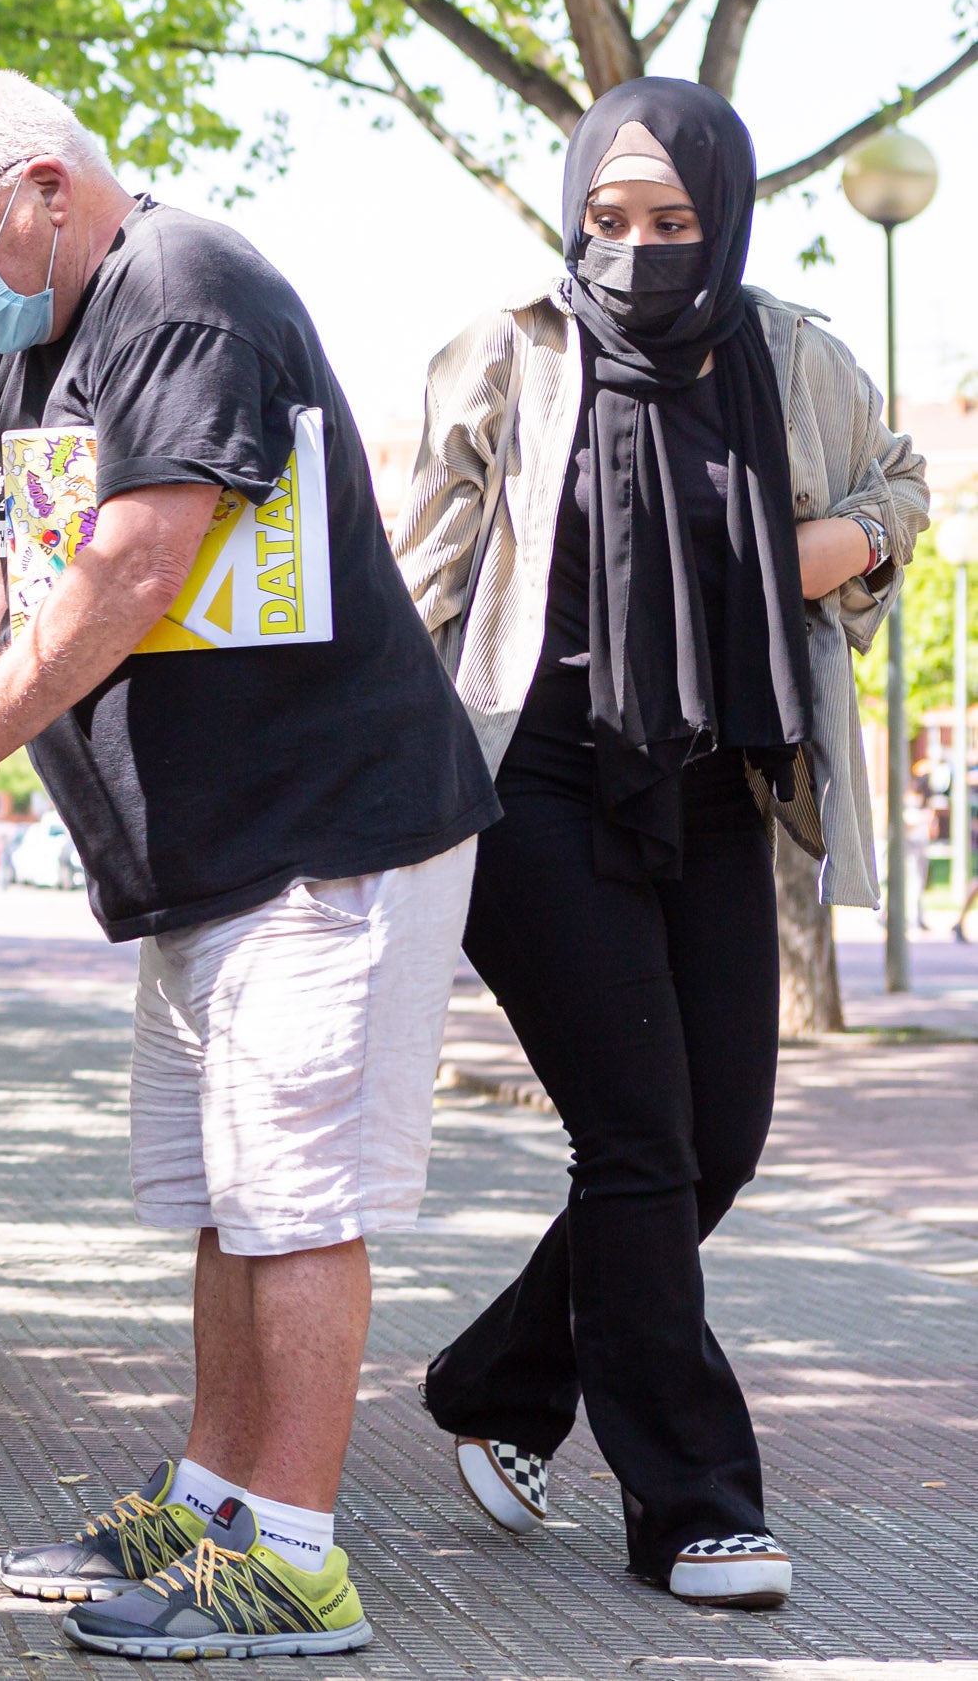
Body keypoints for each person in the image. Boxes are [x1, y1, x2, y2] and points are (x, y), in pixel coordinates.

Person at [0, 67, 498, 1658]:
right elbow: (6, 564)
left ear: (41, 187)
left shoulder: (182, 293)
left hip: (326, 834)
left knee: (293, 1204)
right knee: (223, 1197)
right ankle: (214, 1506)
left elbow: (127, 568)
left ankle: (295, 1559)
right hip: (211, 855)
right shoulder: (52, 340)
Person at [398, 78, 925, 1612]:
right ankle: (691, 1502)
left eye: (673, 222)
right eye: (607, 220)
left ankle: (502, 1379)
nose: (634, 249)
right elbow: (414, 584)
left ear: (726, 214)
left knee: (718, 1144)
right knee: (635, 1140)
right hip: (533, 787)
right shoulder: (506, 354)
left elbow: (896, 490)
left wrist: (816, 551)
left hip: (716, 786)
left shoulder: (793, 359)